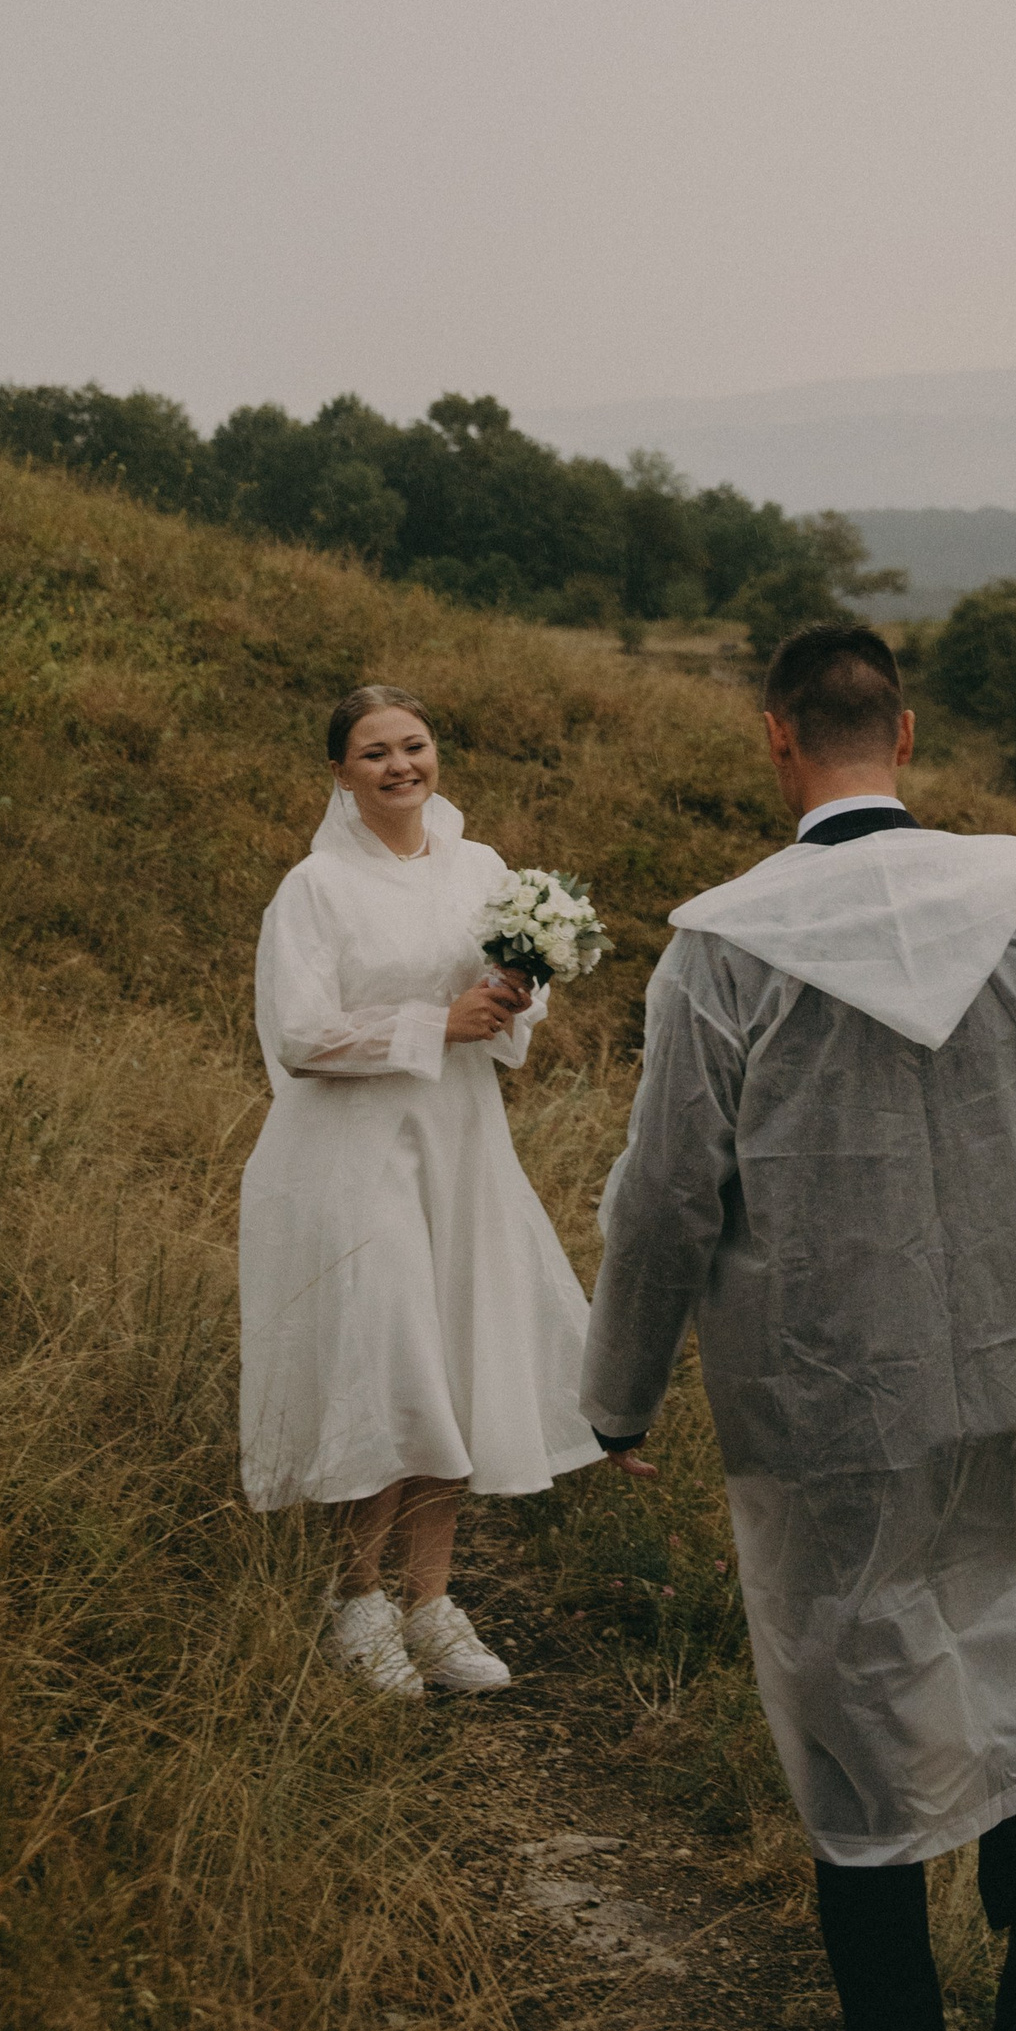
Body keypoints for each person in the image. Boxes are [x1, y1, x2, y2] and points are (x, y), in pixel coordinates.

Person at [584, 623, 1016, 2031]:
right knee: (1006, 1607)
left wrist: (618, 1393)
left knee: (849, 1695)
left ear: (775, 738)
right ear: (905, 727)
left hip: (835, 1377)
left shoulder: (727, 947)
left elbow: (667, 1199)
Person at [239, 683, 643, 1699]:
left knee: (458, 1353)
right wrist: (432, 1027)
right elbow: (299, 1032)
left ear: (435, 756)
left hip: (459, 1142)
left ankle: (432, 1600)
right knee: (388, 1359)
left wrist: (516, 993)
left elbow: (512, 999)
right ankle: (358, 1601)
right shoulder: (317, 888)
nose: (398, 767)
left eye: (411, 746)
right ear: (340, 773)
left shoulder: (482, 868)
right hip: (352, 1155)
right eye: (372, 753)